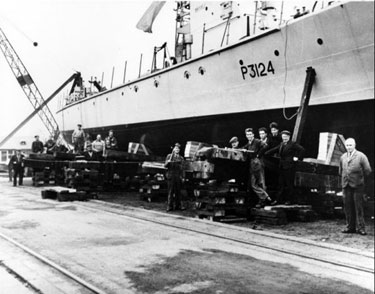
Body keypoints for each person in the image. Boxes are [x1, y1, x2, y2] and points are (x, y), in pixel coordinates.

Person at [339, 138, 372, 236]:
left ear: (354, 145)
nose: (349, 147)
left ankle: (361, 228)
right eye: (347, 145)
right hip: (346, 185)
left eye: (350, 145)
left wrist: (359, 179)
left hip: (357, 186)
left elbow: (368, 170)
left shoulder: (361, 156)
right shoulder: (343, 157)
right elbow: (340, 171)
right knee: (348, 207)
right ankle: (350, 227)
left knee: (358, 207)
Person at [265, 130, 305, 205]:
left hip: (289, 167)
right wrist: (264, 153)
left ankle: (290, 200)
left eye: (286, 137)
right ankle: (278, 200)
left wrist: (297, 157)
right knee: (280, 184)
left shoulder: (292, 144)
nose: (284, 138)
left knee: (289, 184)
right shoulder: (281, 144)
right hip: (282, 167)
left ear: (289, 137)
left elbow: (302, 150)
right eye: (283, 137)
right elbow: (273, 150)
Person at [242, 128, 273, 207]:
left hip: (257, 163)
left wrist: (258, 154)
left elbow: (265, 146)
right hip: (252, 164)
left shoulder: (257, 141)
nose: (249, 136)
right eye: (247, 135)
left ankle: (263, 200)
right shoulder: (249, 143)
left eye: (250, 134)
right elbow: (243, 148)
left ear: (253, 135)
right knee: (254, 184)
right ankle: (265, 197)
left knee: (260, 182)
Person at [165, 143, 184, 212]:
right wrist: (168, 162)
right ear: (173, 149)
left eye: (178, 149)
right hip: (171, 175)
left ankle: (178, 206)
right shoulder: (169, 156)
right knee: (170, 191)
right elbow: (165, 165)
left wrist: (182, 177)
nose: (177, 150)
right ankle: (169, 206)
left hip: (177, 176)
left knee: (178, 192)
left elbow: (182, 169)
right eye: (176, 148)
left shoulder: (181, 158)